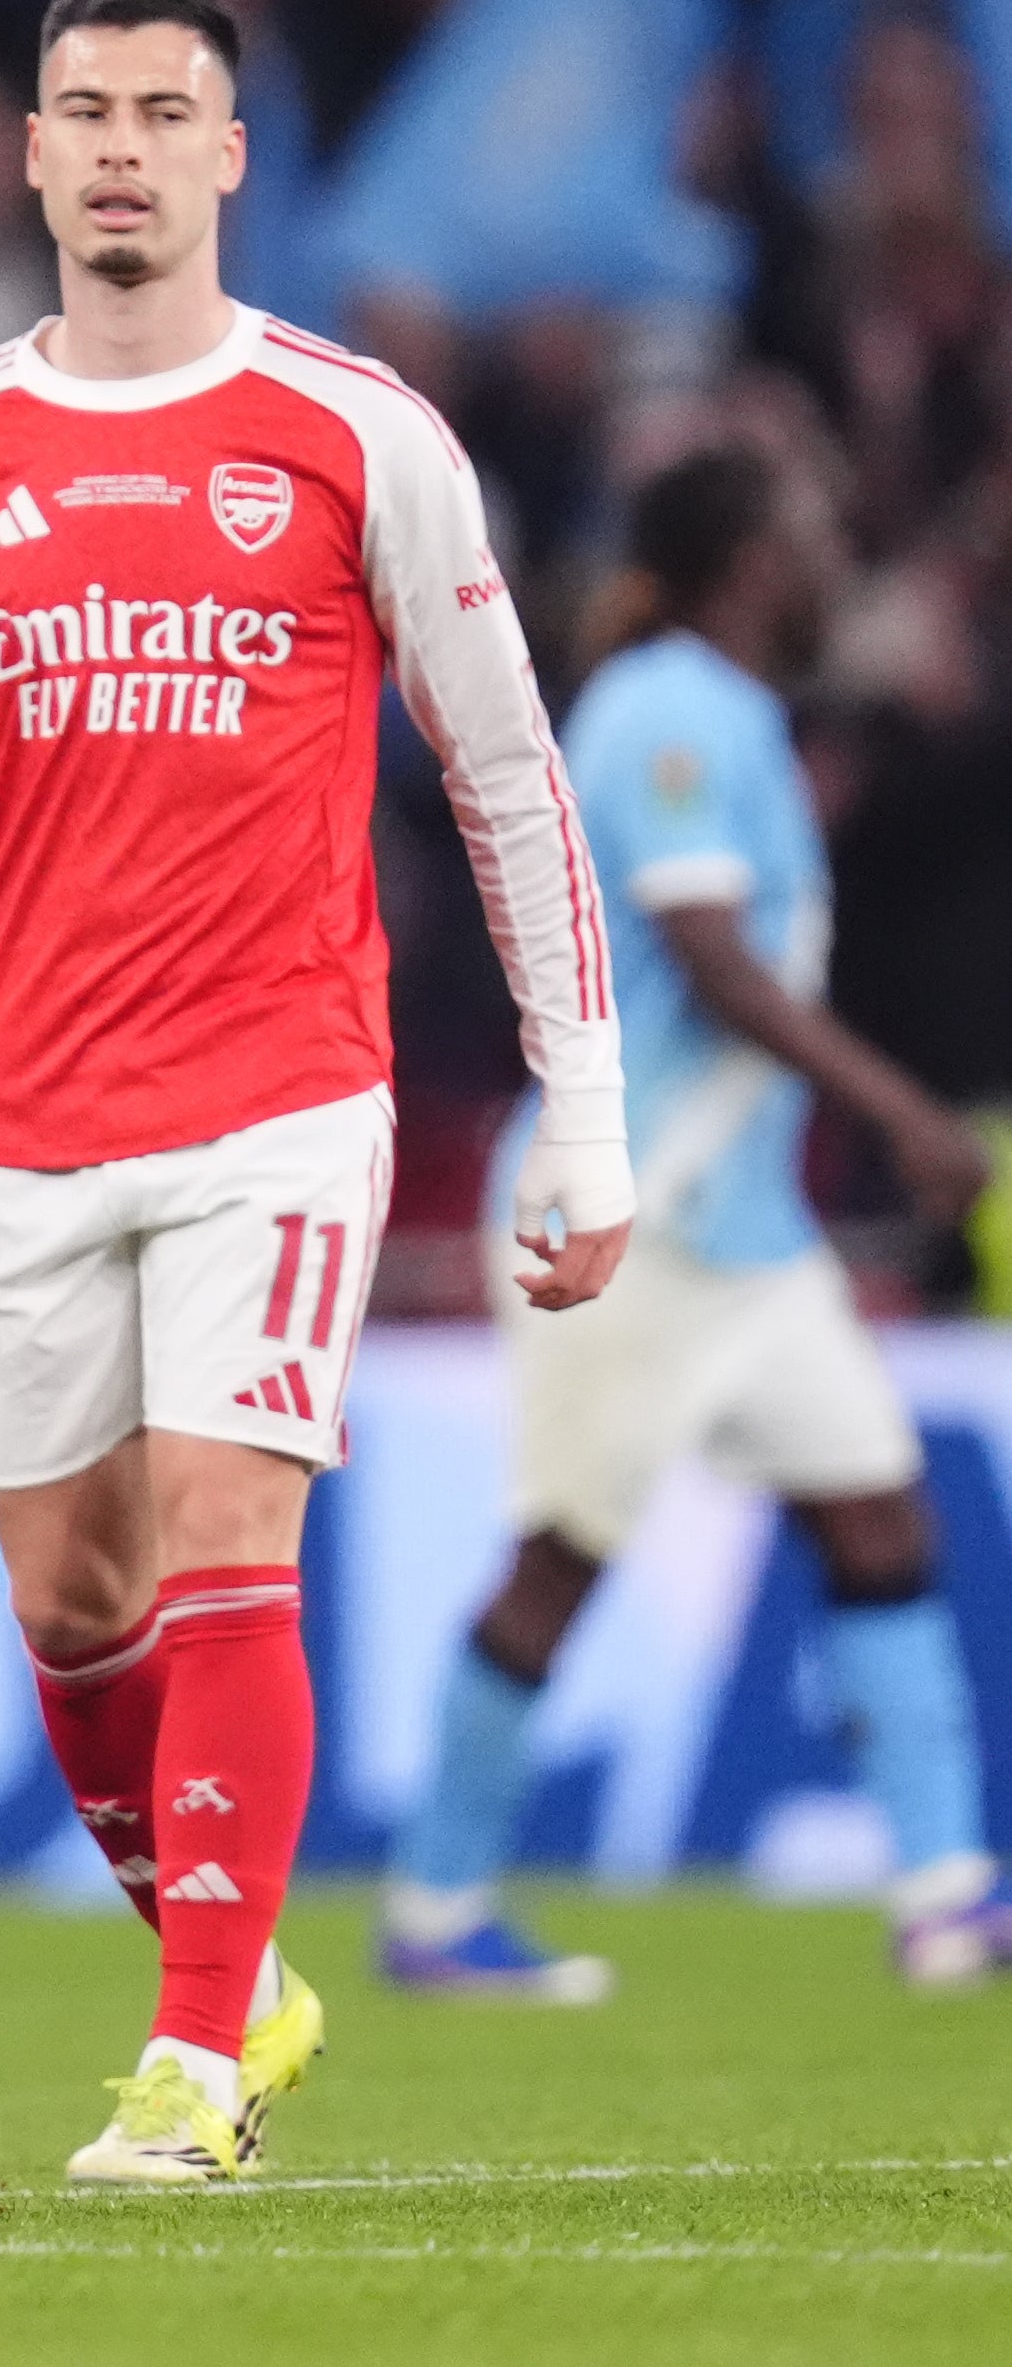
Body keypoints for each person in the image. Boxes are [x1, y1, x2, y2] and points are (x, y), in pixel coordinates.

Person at [0, 0, 631, 2184]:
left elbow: (505, 779)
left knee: (226, 1539)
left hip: (280, 1084)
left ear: (226, 156)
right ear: (27, 154)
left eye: (160, 111)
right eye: (79, 108)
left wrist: (576, 1111)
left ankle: (192, 2061)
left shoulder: (355, 430)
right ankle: (247, 1976)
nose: (116, 145)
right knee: (71, 1601)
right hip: (26, 1101)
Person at [384, 448, 1011, 1994]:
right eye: (803, 529)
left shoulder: (734, 717)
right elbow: (712, 958)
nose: (823, 559)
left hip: (740, 1236)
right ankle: (435, 1909)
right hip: (623, 1217)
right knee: (561, 1561)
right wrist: (900, 1109)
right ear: (745, 557)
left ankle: (943, 1896)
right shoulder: (664, 704)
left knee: (874, 1512)